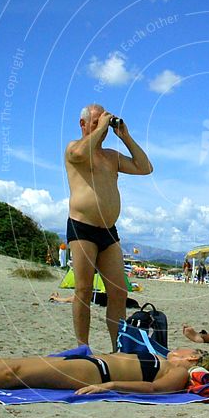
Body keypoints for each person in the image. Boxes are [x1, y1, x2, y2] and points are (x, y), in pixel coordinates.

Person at [65, 104, 153, 349]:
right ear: (83, 124)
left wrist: (125, 136)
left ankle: (118, 347)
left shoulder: (111, 157)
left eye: (103, 121)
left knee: (119, 292)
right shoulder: (75, 148)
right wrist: (101, 126)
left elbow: (145, 167)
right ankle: (83, 347)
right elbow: (79, 155)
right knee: (83, 289)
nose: (101, 126)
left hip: (109, 232)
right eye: (95, 121)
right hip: (82, 227)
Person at [0, 345, 209, 396]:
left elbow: (156, 390)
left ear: (194, 357)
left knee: (12, 374)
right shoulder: (163, 359)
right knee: (1, 364)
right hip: (89, 363)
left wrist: (110, 387)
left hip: (97, 375)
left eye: (186, 350)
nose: (178, 349)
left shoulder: (181, 372)